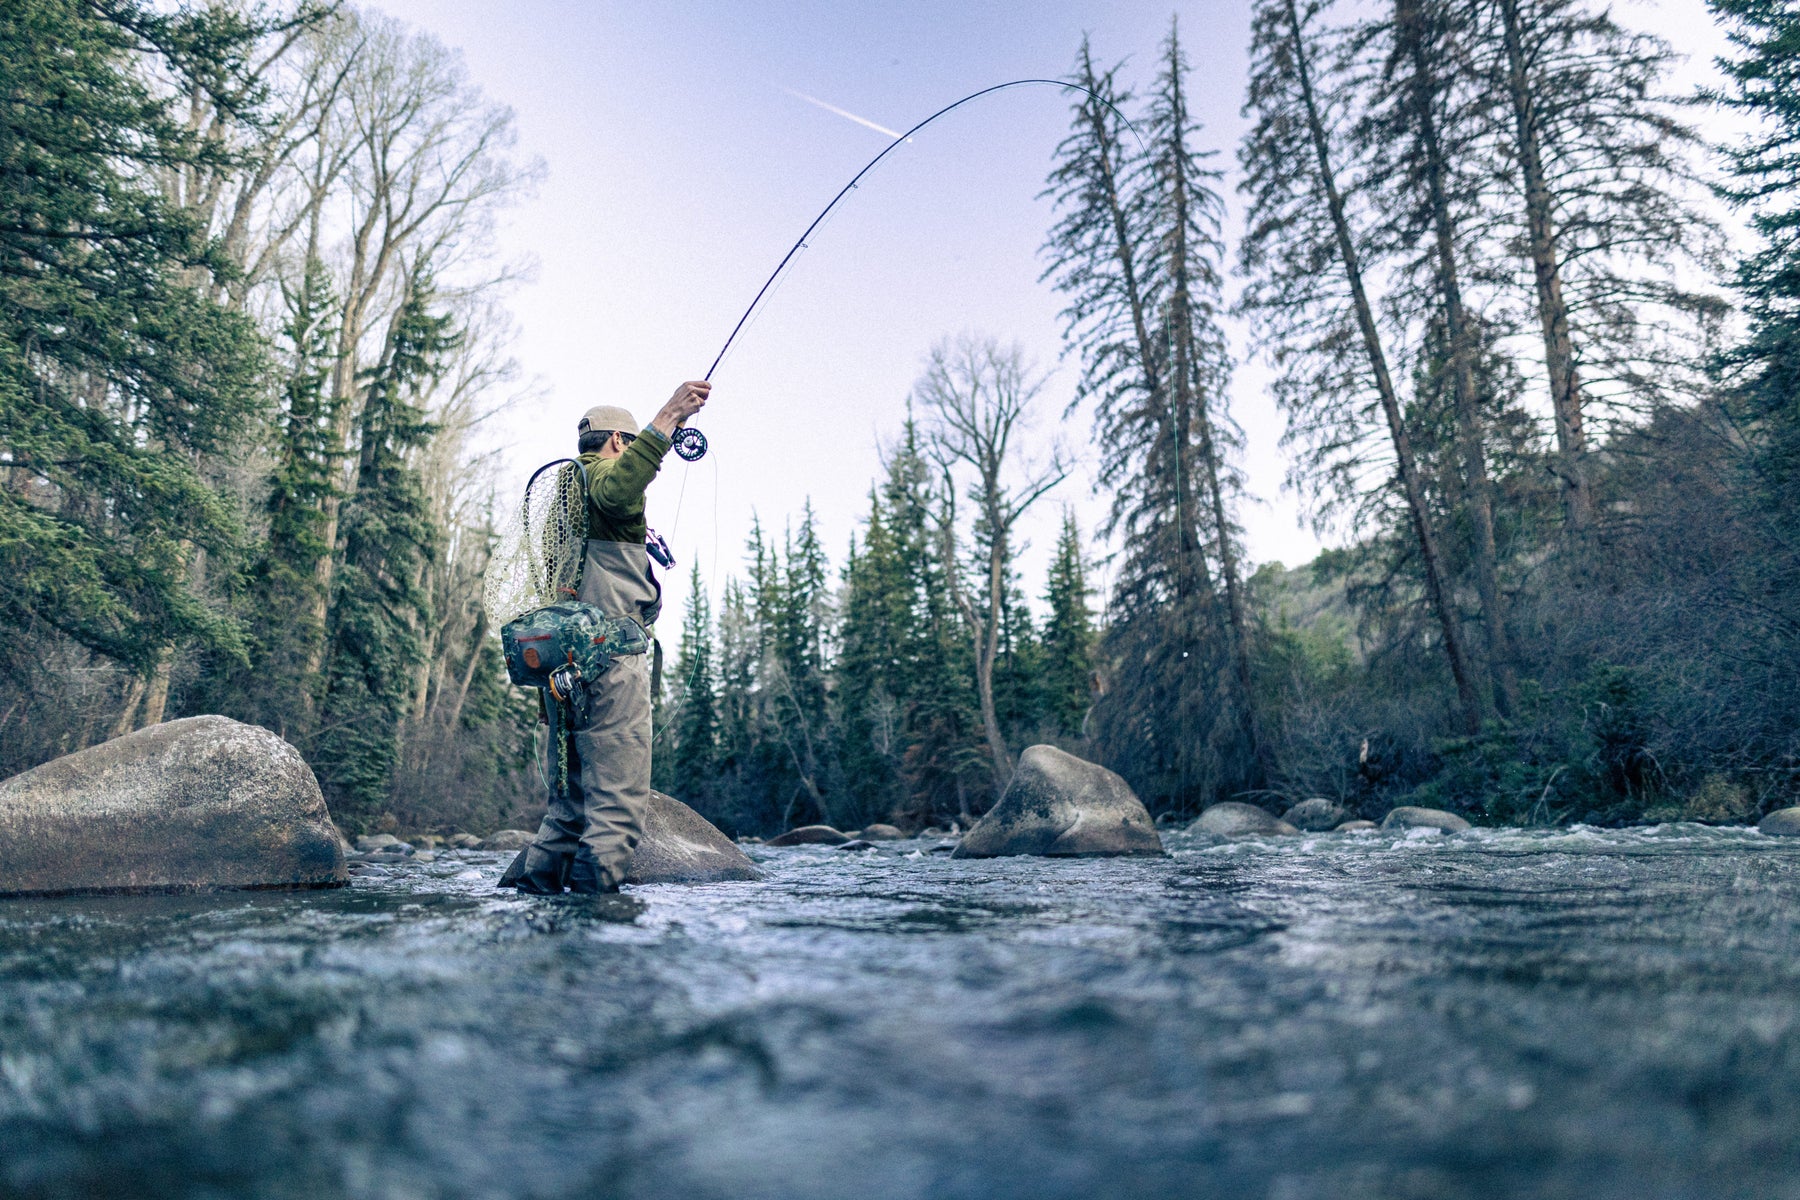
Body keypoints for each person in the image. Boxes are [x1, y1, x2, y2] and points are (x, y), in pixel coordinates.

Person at [511, 379, 710, 894]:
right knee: (615, 813)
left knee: (567, 813)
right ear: (619, 443)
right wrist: (667, 418)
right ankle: (597, 934)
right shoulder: (603, 480)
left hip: (562, 676)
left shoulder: (566, 499)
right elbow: (621, 486)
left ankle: (539, 920)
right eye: (637, 446)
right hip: (609, 665)